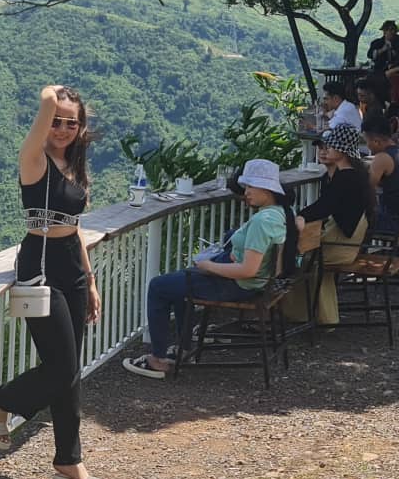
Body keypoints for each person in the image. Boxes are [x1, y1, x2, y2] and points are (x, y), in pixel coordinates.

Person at [0, 84, 112, 479]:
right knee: (60, 369)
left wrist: (89, 282)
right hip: (39, 267)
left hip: (71, 264)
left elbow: (75, 229)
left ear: (81, 127)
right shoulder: (34, 160)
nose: (63, 128)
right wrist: (51, 98)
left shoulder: (73, 165)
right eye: (56, 121)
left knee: (70, 371)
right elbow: (46, 106)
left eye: (72, 122)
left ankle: (68, 464)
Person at [123, 160, 296, 377]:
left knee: (159, 286)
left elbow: (248, 270)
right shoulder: (281, 212)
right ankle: (184, 348)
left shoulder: (263, 221)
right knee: (177, 283)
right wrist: (237, 254)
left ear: (268, 189)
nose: (246, 192)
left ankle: (158, 360)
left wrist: (209, 266)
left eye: (251, 187)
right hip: (257, 284)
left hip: (241, 286)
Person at [285, 125, 374, 325]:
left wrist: (300, 217)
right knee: (308, 256)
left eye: (330, 146)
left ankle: (303, 314)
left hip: (343, 245)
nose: (324, 151)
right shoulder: (347, 175)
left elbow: (325, 206)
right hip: (347, 240)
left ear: (342, 150)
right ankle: (312, 314)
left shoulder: (346, 178)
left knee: (305, 258)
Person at [365, 118, 399, 240]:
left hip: (394, 221)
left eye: (367, 142)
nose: (367, 146)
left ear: (376, 141)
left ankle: (353, 255)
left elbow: (367, 188)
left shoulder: (382, 157)